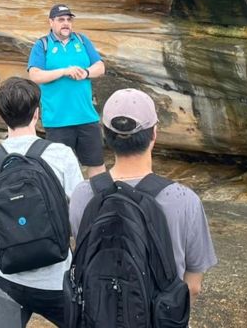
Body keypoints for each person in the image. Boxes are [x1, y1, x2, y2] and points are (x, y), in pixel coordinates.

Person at [69, 88, 217, 303]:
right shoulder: (184, 199)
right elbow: (193, 286)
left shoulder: (83, 194)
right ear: (154, 134)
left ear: (106, 135)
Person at [0, 77, 83, 327]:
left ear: (2, 116)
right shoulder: (61, 155)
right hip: (57, 281)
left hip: (6, 279)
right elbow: (81, 222)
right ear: (37, 113)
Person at [27, 4, 106, 176]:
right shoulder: (43, 45)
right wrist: (64, 71)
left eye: (69, 20)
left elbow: (100, 67)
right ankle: (64, 203)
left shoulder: (82, 40)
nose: (66, 23)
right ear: (51, 22)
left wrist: (85, 73)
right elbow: (35, 75)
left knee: (97, 166)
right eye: (61, 19)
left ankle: (100, 202)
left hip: (87, 117)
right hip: (57, 122)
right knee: (58, 171)